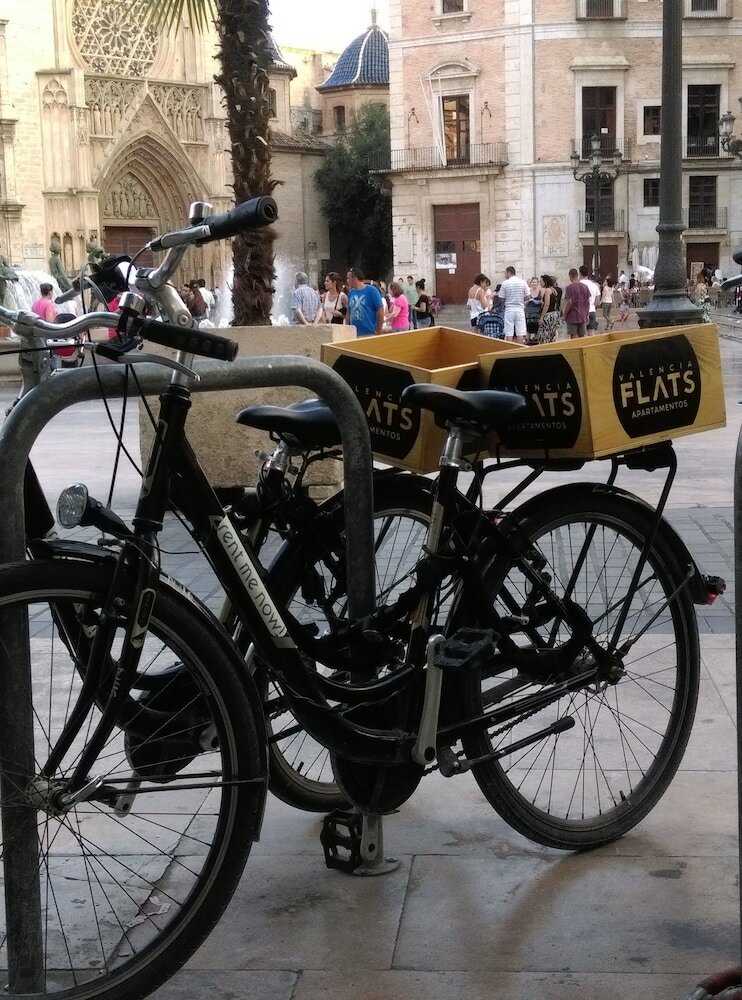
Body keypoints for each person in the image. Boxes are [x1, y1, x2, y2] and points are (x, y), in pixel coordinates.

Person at [345, 267, 384, 336]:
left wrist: (379, 330)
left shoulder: (372, 290)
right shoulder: (351, 293)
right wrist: (347, 328)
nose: (347, 281)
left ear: (354, 278)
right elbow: (349, 312)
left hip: (369, 333)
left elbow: (380, 310)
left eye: (348, 278)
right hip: (354, 333)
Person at [499, 266, 529, 342]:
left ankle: (509, 350)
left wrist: (507, 299)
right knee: (520, 332)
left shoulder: (505, 283)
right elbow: (528, 296)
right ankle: (520, 350)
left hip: (509, 309)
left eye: (505, 273)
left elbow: (501, 298)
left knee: (509, 332)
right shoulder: (523, 282)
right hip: (520, 309)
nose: (505, 275)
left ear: (509, 273)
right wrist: (521, 299)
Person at [562, 267, 591, 338]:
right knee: (582, 335)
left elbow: (569, 302)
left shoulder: (569, 287)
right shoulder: (585, 287)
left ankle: (575, 348)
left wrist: (564, 313)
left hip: (572, 315)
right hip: (583, 314)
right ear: (577, 275)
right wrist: (587, 314)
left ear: (571, 276)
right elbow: (588, 302)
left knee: (574, 335)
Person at [535, 274, 560, 344]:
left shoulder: (547, 290)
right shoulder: (554, 290)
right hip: (554, 313)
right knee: (552, 333)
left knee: (544, 334)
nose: (540, 283)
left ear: (545, 282)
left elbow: (547, 304)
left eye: (541, 281)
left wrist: (542, 317)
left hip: (548, 314)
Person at [578, 265, 601, 333]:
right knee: (591, 333)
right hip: (592, 311)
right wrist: (593, 306)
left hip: (581, 312)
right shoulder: (594, 285)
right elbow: (597, 301)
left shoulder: (578, 285)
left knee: (581, 334)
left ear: (580, 273)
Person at [524, 276, 543, 343]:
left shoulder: (540, 291)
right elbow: (524, 302)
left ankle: (536, 338)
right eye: (533, 282)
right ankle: (528, 339)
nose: (534, 283)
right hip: (529, 310)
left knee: (537, 324)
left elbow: (542, 301)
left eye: (535, 282)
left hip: (537, 311)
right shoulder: (528, 291)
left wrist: (538, 302)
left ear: (538, 283)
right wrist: (529, 300)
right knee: (528, 324)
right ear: (531, 283)